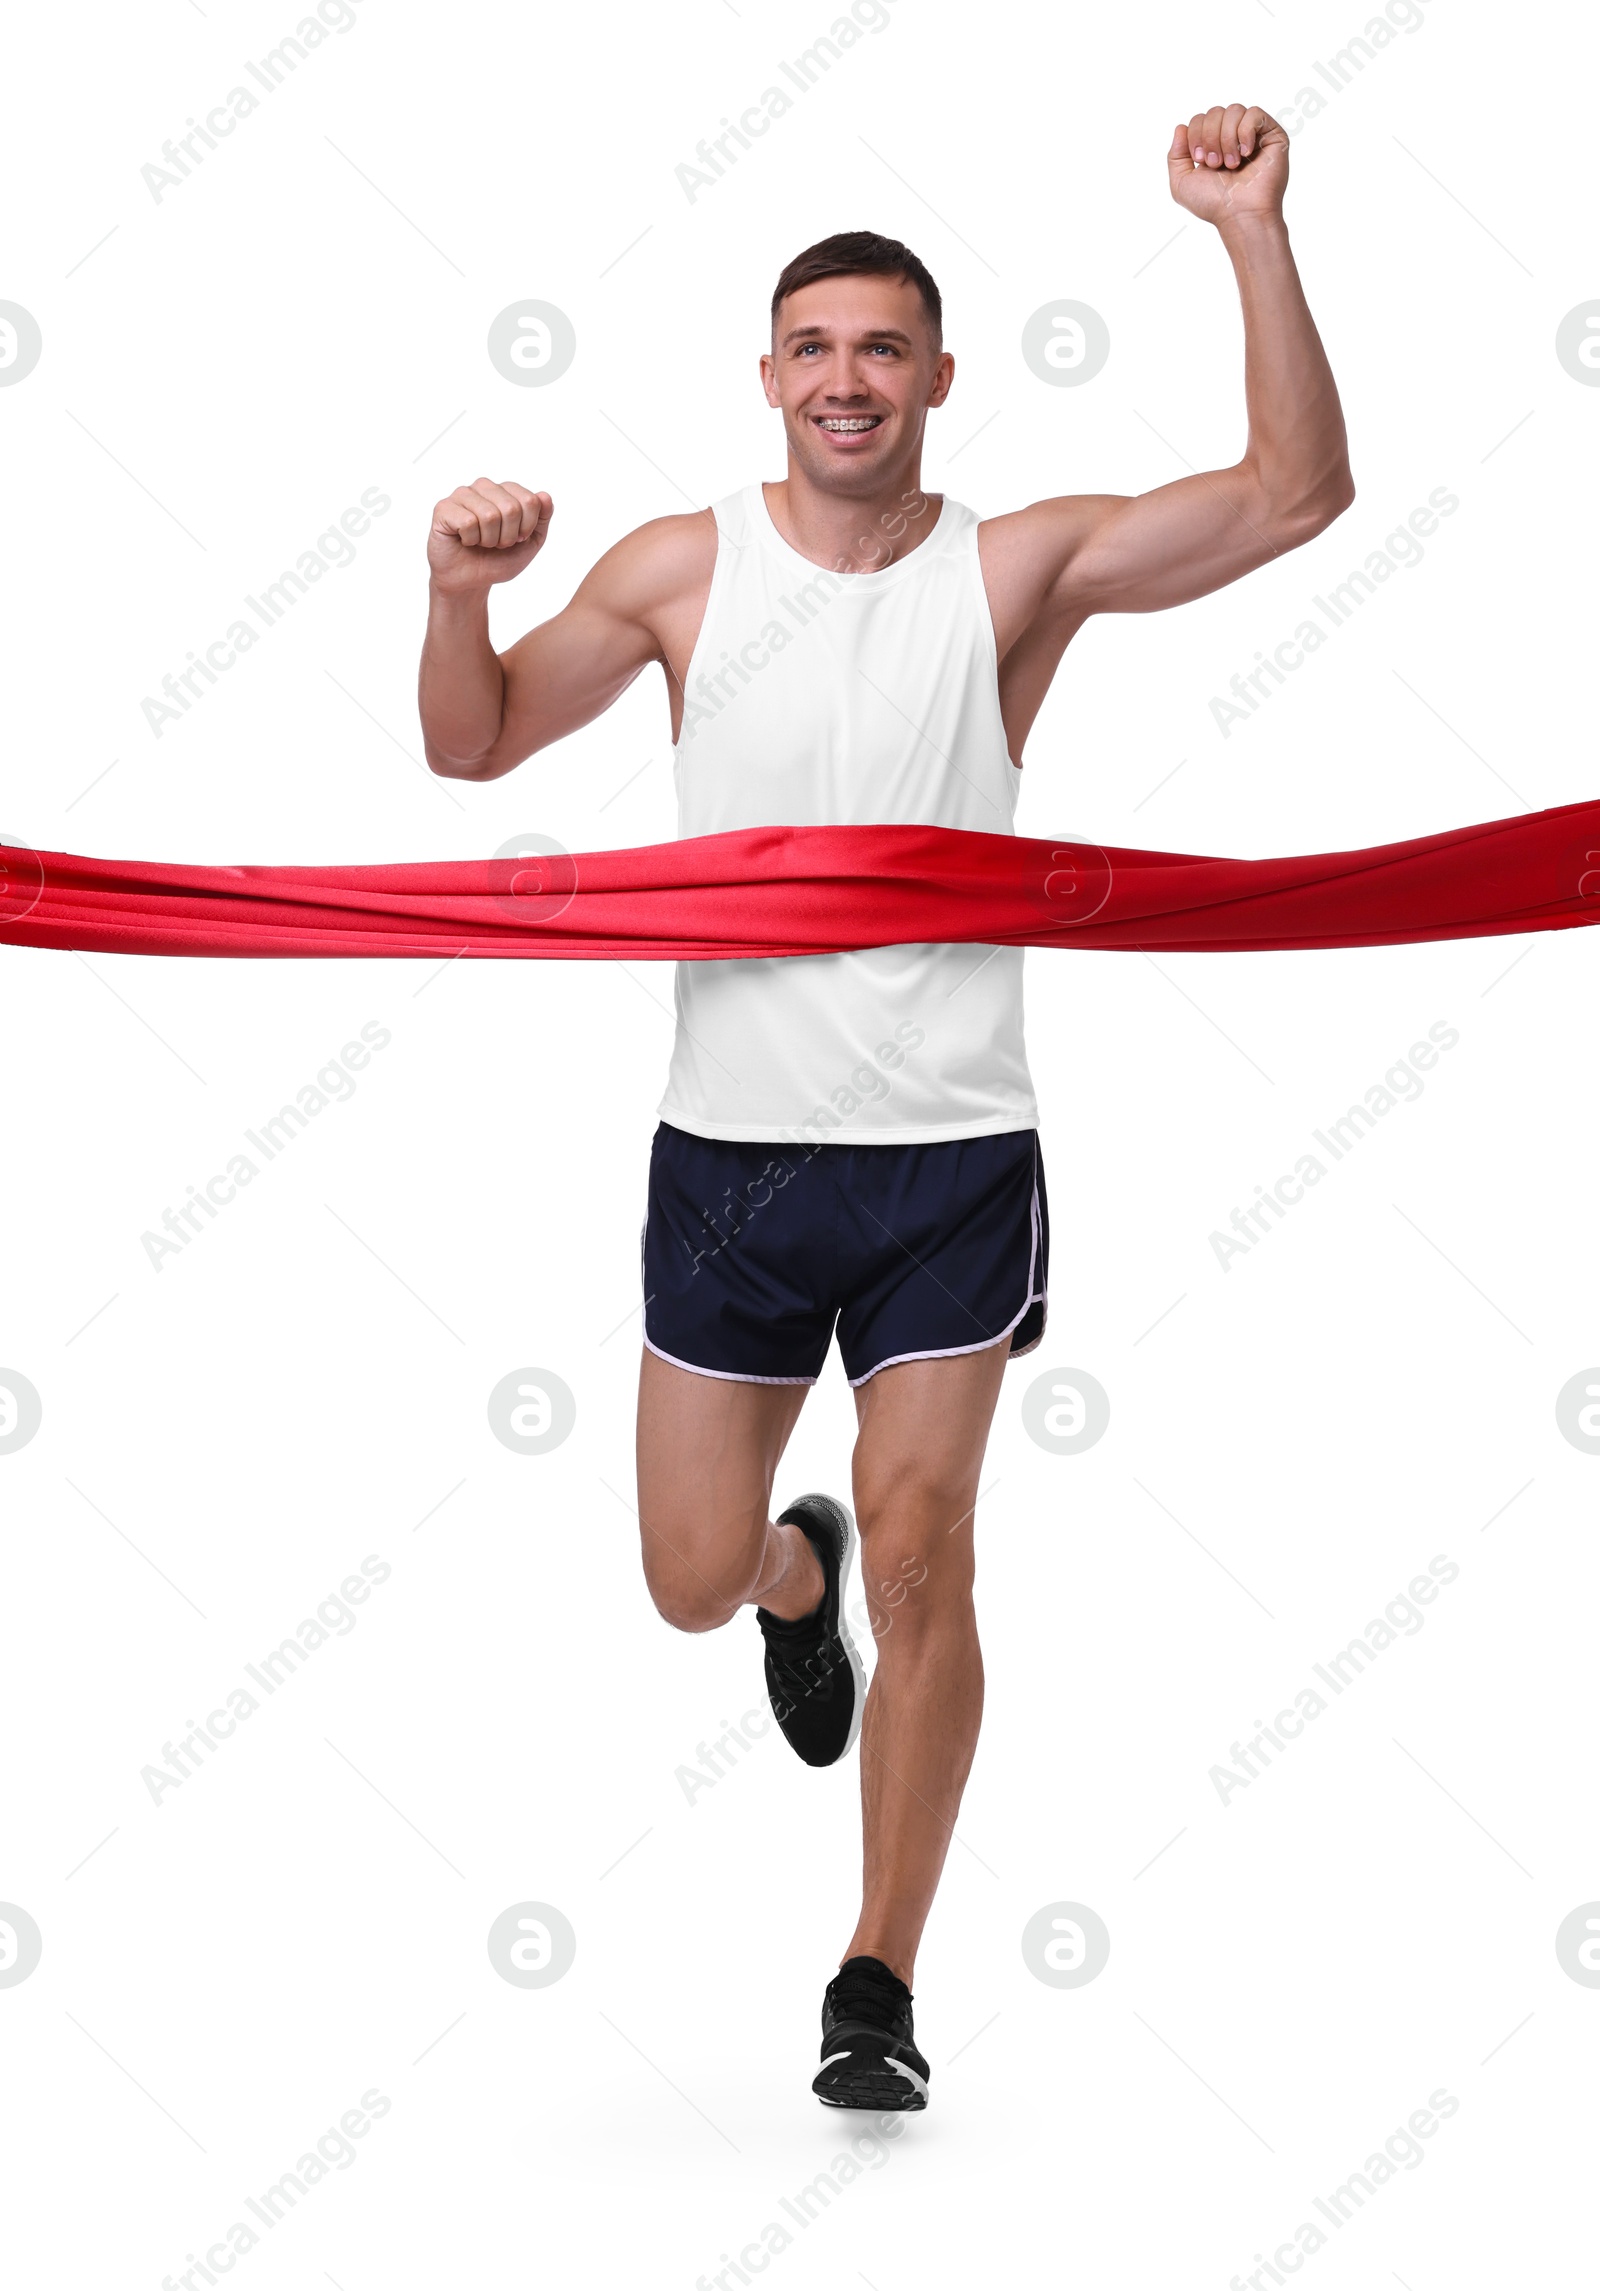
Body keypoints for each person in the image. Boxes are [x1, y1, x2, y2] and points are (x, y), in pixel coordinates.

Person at [417, 102, 1354, 2111]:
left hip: (945, 1153)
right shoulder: (680, 569)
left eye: (882, 348)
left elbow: (1290, 495)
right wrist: (450, 598)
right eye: (812, 348)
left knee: (931, 1548)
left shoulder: (1017, 568)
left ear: (936, 380)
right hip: (732, 1167)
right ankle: (785, 1577)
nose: (847, 378)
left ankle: (875, 1978)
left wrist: (1245, 232)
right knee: (681, 1575)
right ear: (770, 380)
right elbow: (472, 751)